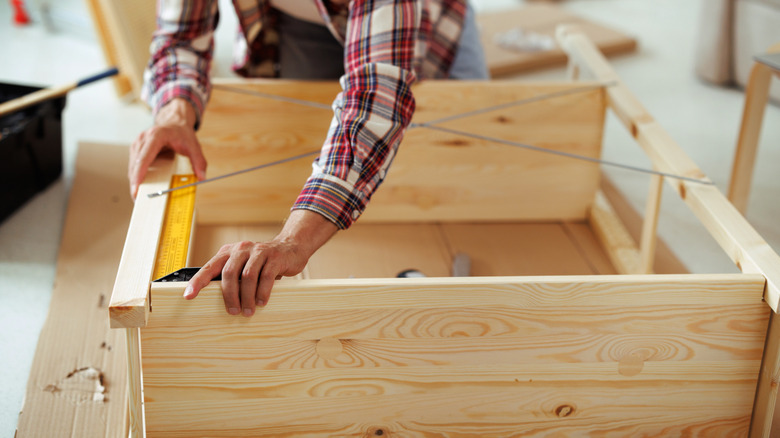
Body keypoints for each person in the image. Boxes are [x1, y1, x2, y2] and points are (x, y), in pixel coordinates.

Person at [130, 0, 489, 317]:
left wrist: (292, 241)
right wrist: (175, 115)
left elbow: (376, 100)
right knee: (316, 124)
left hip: (428, 22)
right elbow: (179, 38)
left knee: (461, 146)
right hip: (296, 21)